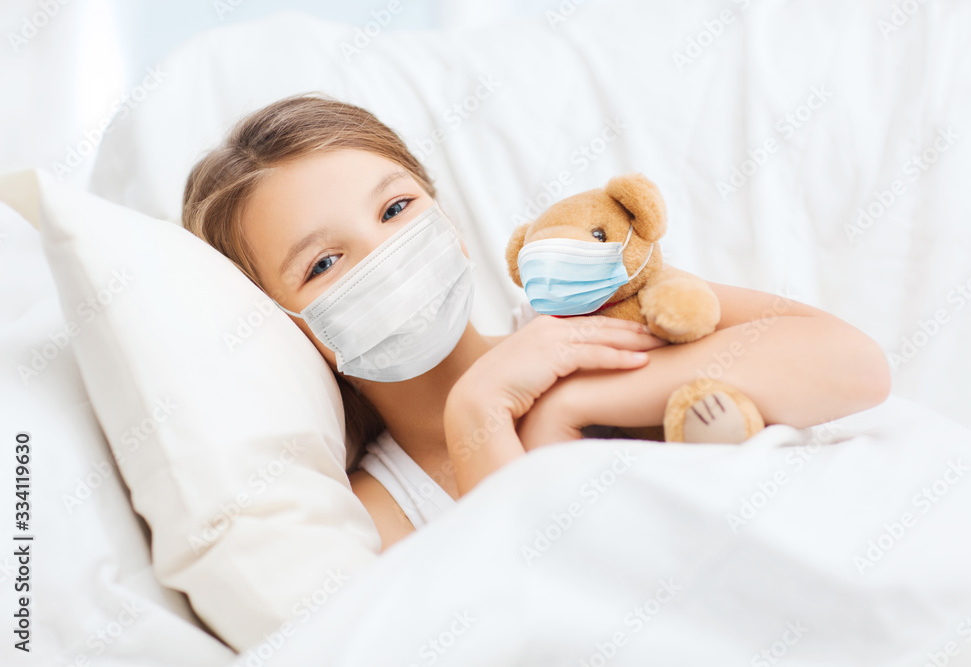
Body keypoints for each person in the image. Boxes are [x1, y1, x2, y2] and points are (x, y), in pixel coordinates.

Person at [182, 94, 891, 551]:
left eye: (397, 209)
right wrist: (479, 420)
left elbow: (856, 367)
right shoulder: (377, 514)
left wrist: (576, 399)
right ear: (285, 327)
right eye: (325, 261)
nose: (387, 252)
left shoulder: (586, 314)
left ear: (447, 219)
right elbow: (534, 614)